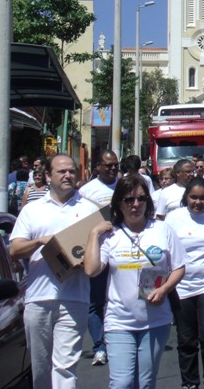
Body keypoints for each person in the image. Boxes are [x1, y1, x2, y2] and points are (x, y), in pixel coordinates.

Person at [84, 174, 186, 389]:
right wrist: (93, 234)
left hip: (155, 321)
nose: (136, 205)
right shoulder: (110, 235)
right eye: (129, 200)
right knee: (122, 383)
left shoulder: (162, 230)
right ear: (119, 204)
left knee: (145, 383)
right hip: (119, 321)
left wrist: (165, 288)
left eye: (141, 199)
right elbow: (92, 269)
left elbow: (178, 267)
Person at [10, 154, 101, 389]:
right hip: (38, 299)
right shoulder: (32, 210)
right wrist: (41, 242)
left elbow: (101, 252)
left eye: (72, 171)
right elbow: (15, 249)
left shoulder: (90, 209)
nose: (68, 175)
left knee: (65, 367)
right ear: (48, 176)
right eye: (61, 171)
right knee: (40, 366)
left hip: (75, 298)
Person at [165, 177, 204, 389]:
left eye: (202, 198)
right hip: (181, 287)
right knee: (186, 340)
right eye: (193, 197)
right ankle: (190, 383)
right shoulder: (173, 218)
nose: (198, 202)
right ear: (186, 198)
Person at [79, 149, 121, 367]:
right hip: (97, 253)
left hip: (122, 254)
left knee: (118, 299)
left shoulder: (124, 186)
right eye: (108, 165)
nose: (113, 168)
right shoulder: (86, 191)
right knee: (95, 302)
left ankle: (119, 342)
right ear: (97, 167)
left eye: (116, 165)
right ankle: (100, 346)